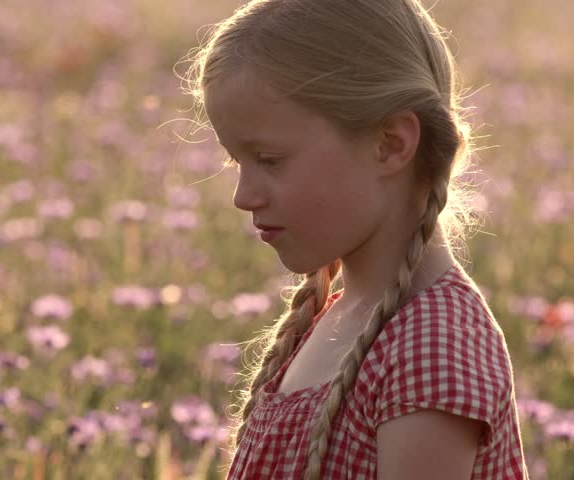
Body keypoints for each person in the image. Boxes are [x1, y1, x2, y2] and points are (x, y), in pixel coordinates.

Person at [180, 0, 529, 478]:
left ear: (390, 144)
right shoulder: (339, 314)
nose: (243, 196)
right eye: (236, 162)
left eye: (270, 159)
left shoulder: (434, 345)